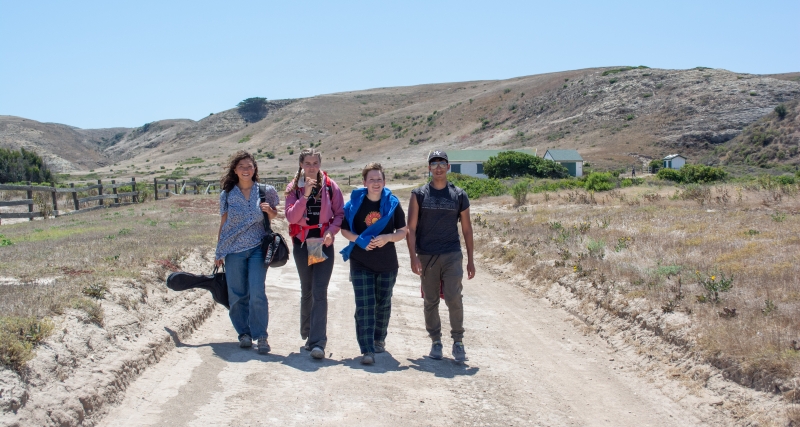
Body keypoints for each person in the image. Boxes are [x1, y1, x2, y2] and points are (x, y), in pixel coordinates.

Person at [406, 150, 475, 362]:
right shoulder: (418, 194)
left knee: (454, 298)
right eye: (434, 163)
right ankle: (435, 341)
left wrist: (471, 259)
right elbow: (411, 228)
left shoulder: (459, 194)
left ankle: (458, 342)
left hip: (452, 254)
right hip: (427, 256)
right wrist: (413, 257)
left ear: (448, 167)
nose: (438, 167)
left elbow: (467, 229)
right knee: (431, 300)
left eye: (442, 163)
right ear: (428, 167)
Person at [340, 163, 407, 365]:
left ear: (384, 182)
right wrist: (358, 239)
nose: (375, 183)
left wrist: (387, 237)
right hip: (361, 262)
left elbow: (403, 231)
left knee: (383, 304)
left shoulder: (393, 204)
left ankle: (379, 339)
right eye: (372, 179)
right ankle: (367, 348)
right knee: (364, 305)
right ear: (364, 182)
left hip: (387, 263)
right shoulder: (354, 204)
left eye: (379, 179)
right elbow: (344, 230)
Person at [214, 150, 279, 355]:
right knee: (237, 293)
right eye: (241, 166)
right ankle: (243, 333)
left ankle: (261, 336)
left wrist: (270, 211)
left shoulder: (266, 190)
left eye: (249, 166)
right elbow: (223, 223)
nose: (246, 169)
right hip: (233, 250)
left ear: (255, 169)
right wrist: (219, 251)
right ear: (235, 169)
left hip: (258, 248)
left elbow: (275, 214)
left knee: (257, 291)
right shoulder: (227, 194)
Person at [284, 148, 345, 359]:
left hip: (321, 243)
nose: (311, 167)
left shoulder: (330, 186)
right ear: (301, 164)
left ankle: (318, 342)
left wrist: (331, 231)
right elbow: (291, 217)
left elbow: (339, 214)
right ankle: (308, 331)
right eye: (308, 163)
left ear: (320, 164)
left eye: (315, 163)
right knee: (307, 289)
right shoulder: (294, 188)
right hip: (302, 244)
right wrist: (306, 195)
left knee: (320, 291)